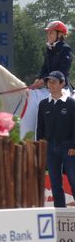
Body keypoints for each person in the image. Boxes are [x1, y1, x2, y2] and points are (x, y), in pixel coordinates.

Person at [37, 71, 75, 208]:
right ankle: (60, 212)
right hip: (50, 149)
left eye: (53, 81)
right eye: (48, 81)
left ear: (62, 83)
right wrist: (41, 148)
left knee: (73, 180)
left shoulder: (71, 103)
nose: (50, 84)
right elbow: (40, 129)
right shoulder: (43, 104)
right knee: (55, 183)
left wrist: (74, 146)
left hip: (68, 148)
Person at [31, 20, 73, 90]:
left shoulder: (65, 49)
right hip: (49, 86)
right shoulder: (49, 49)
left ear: (59, 34)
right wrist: (39, 79)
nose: (48, 35)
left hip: (62, 88)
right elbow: (44, 68)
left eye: (51, 33)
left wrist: (44, 80)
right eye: (48, 33)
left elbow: (62, 71)